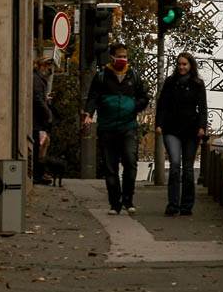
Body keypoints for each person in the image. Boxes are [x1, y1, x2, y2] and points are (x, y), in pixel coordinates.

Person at [83, 43, 149, 215]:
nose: (122, 59)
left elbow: (144, 97)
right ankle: (115, 203)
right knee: (110, 166)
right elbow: (93, 98)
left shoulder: (133, 75)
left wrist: (134, 106)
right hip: (107, 128)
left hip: (128, 127)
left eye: (125, 56)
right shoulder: (102, 76)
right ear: (111, 57)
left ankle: (128, 199)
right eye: (119, 56)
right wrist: (88, 114)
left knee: (130, 161)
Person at [155, 52, 208, 217]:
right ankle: (172, 204)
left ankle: (186, 205)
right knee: (175, 165)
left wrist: (202, 127)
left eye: (184, 64)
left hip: (191, 131)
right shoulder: (170, 83)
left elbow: (203, 108)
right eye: (179, 64)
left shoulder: (198, 84)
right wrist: (159, 124)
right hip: (172, 129)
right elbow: (162, 105)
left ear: (191, 65)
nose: (181, 67)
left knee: (188, 168)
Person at [32, 58, 55, 185]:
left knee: (42, 144)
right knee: (40, 146)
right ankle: (38, 175)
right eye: (48, 66)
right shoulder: (37, 79)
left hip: (38, 120)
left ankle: (40, 173)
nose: (49, 69)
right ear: (42, 66)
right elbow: (37, 98)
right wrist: (48, 113)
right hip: (37, 120)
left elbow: (39, 97)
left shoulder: (39, 79)